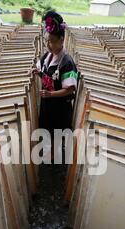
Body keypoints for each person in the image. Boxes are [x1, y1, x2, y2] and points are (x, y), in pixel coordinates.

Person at [32, 11, 78, 162]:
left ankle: (55, 159)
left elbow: (70, 89)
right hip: (48, 104)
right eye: (47, 41)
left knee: (56, 132)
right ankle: (49, 154)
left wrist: (51, 94)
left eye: (52, 41)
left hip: (59, 107)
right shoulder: (47, 56)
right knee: (46, 130)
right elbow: (47, 76)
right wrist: (37, 73)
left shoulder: (67, 62)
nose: (48, 44)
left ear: (62, 39)